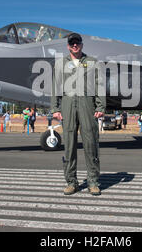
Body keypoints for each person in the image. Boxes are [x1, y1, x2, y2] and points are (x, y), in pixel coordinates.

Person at [51, 32, 105, 196]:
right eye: (72, 43)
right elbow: (56, 87)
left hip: (87, 103)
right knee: (69, 145)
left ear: (82, 44)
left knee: (91, 143)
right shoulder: (60, 64)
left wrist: (100, 106)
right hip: (68, 104)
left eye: (78, 43)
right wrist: (56, 108)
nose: (75, 45)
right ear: (68, 45)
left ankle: (93, 182)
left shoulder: (92, 62)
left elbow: (99, 85)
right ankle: (71, 182)